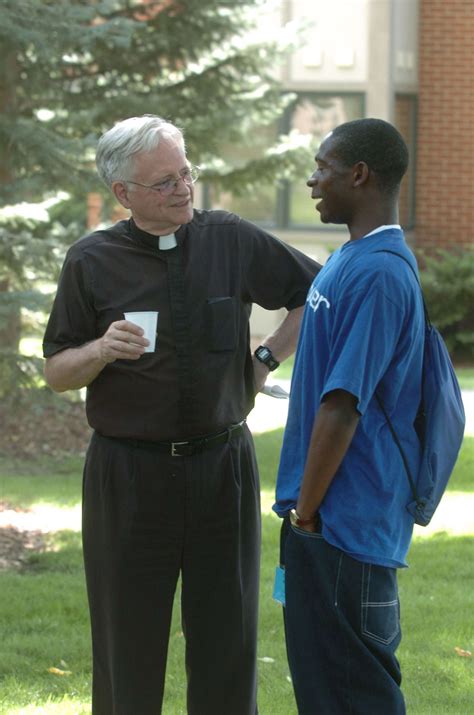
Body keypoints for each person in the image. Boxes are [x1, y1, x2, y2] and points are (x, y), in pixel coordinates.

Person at [42, 114, 320, 715]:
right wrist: (99, 349)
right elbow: (58, 371)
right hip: (129, 475)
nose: (183, 190)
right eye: (164, 183)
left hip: (223, 466)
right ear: (124, 194)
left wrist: (267, 355)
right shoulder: (90, 261)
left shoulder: (231, 239)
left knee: (228, 637)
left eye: (185, 174)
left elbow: (316, 295)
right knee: (126, 642)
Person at [273, 118, 425, 714]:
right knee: (322, 690)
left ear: (359, 175)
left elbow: (344, 404)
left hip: (345, 525)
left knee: (355, 694)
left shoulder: (382, 273)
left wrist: (308, 516)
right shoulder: (351, 257)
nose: (312, 181)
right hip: (322, 519)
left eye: (323, 168)